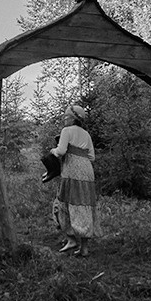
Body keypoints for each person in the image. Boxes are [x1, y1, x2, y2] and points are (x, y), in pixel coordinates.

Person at [50, 104, 98, 257]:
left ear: (73, 119)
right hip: (87, 172)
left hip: (72, 171)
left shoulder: (67, 131)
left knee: (64, 202)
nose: (65, 119)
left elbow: (61, 151)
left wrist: (53, 151)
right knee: (83, 204)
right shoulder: (86, 134)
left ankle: (71, 239)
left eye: (66, 116)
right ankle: (84, 248)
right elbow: (92, 157)